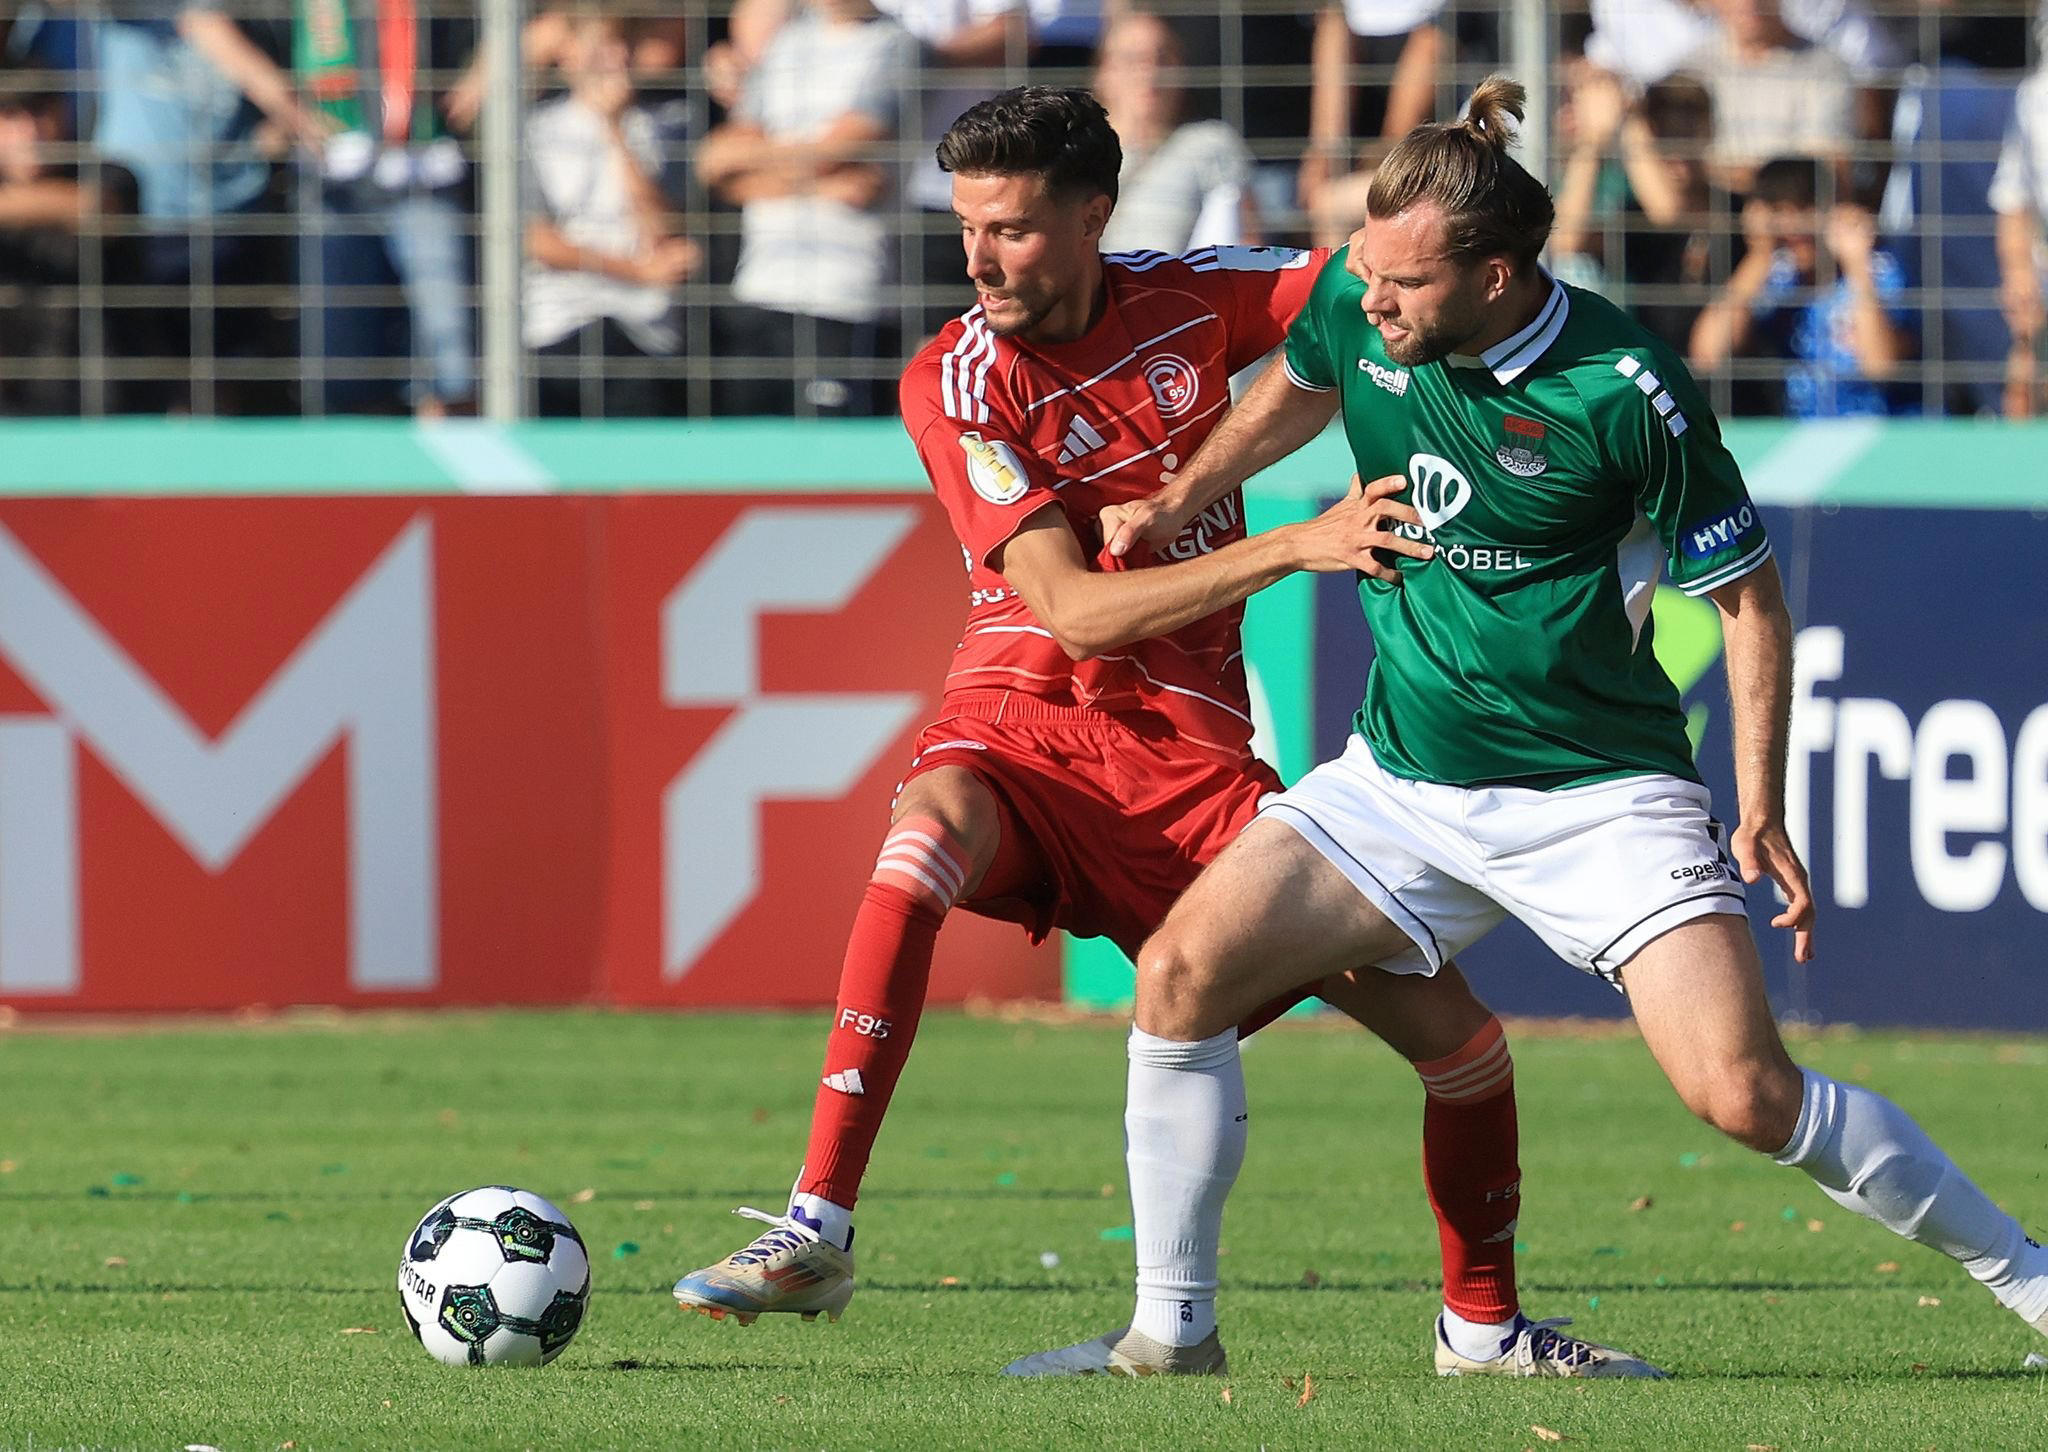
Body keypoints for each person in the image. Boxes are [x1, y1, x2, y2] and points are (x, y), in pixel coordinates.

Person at [1011, 76, 2048, 1376]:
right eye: (1368, 276)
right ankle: (1172, 1336)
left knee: (1745, 1094)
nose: (1370, 302)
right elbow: (1304, 379)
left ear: (1497, 278)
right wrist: (1177, 499)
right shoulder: (1365, 305)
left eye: (1404, 286)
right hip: (1400, 783)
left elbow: (1748, 605)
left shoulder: (1625, 390)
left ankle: (2033, 1283)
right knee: (1177, 977)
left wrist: (1763, 805)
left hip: (1597, 795)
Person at [671, 85, 1661, 1382]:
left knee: (1458, 1040)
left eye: (1015, 229)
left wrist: (1466, 162)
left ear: (1095, 216)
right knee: (922, 841)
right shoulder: (955, 377)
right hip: (1026, 724)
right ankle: (817, 1224)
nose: (981, 259)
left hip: (1195, 768)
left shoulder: (1198, 295)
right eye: (969, 228)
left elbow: (1391, 272)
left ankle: (1481, 1327)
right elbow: (1073, 614)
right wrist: (1293, 544)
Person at [698, 0, 917, 418]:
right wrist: (823, 183)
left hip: (848, 295)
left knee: (836, 471)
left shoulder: (896, 44)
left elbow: (842, 147)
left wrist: (763, 161)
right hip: (761, 287)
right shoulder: (786, 42)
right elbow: (715, 160)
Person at [523, 5, 697, 419]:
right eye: (602, 46)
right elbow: (538, 241)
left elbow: (664, 233)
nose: (616, 59)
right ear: (569, 56)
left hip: (646, 334)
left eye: (623, 45)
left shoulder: (670, 125)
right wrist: (637, 271)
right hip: (561, 327)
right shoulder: (535, 131)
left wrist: (616, 130)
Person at [1689, 156, 1915, 417]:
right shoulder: (1777, 278)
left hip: (1882, 435)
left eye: (1806, 208)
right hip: (1799, 441)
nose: (1794, 226)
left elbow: (1881, 367)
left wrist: (1856, 264)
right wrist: (1760, 254)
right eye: (1779, 211)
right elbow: (1708, 355)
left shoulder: (1880, 270)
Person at [1092, 11, 1260, 255]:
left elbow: (1248, 245)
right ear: (1103, 73)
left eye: (1162, 59)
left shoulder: (1213, 143)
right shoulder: (1080, 151)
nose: (1149, 72)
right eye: (1133, 59)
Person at [1991, 47, 2048, 418]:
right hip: (2043, 271)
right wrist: (2017, 273)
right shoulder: (2037, 94)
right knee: (2025, 380)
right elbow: (2012, 195)